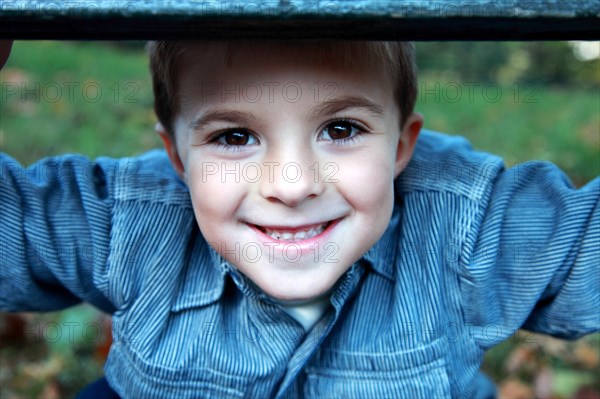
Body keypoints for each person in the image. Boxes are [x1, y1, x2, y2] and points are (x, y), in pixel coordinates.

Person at [1, 40, 598, 399]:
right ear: (178, 156)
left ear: (399, 147)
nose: (292, 185)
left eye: (342, 130)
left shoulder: (465, 223)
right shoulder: (126, 222)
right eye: (235, 136)